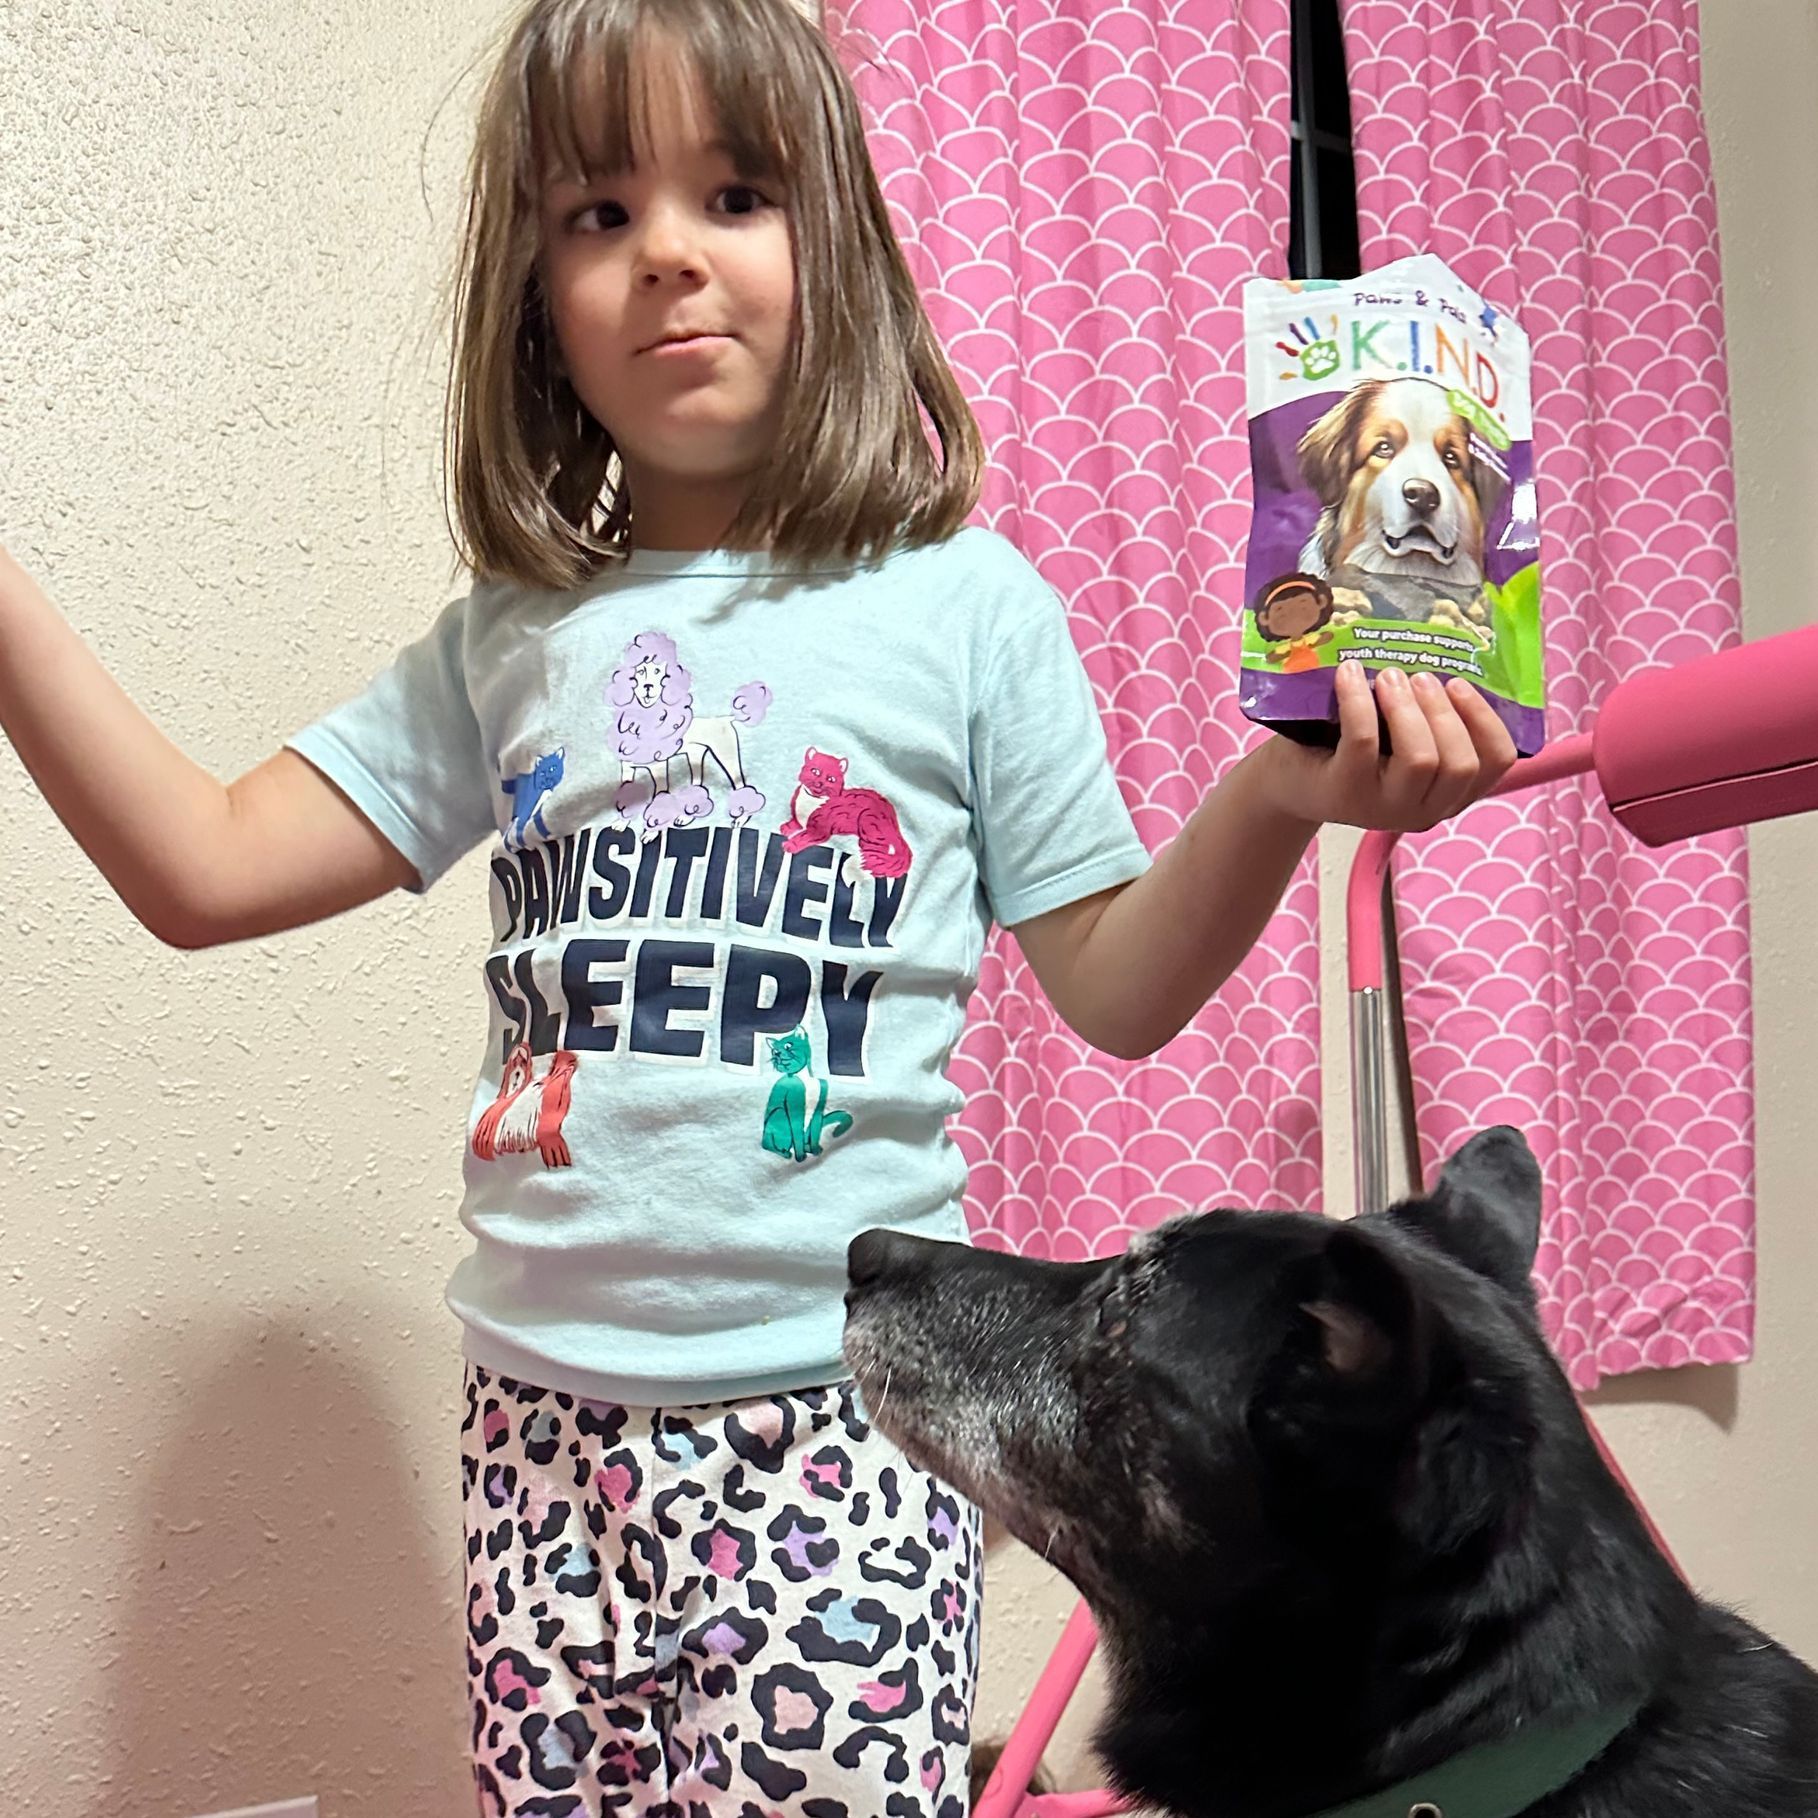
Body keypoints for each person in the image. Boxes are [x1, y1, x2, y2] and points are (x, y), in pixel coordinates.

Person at [0, 0, 1516, 1811]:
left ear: (837, 247)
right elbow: (198, 866)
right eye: (595, 214)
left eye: (734, 191)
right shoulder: (510, 645)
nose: (666, 257)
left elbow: (1114, 985)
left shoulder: (966, 608)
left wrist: (1278, 791)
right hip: (536, 1432)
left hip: (842, 1424)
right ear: (535, 305)